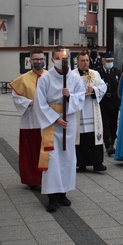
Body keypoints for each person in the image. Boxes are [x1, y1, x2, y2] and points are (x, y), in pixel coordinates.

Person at [34, 46, 87, 212]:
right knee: (52, 159)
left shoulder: (74, 78)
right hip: (52, 123)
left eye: (63, 58)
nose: (61, 61)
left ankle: (63, 192)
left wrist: (70, 96)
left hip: (68, 121)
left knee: (67, 158)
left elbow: (81, 96)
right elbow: (40, 103)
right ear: (52, 59)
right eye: (57, 58)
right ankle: (52, 196)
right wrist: (56, 118)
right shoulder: (45, 79)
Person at [9, 49, 47, 190]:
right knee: (30, 152)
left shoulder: (50, 77)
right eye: (35, 59)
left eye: (41, 59)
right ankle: (32, 179)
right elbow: (16, 96)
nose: (38, 62)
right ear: (30, 61)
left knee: (46, 151)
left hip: (46, 122)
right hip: (30, 121)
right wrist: (29, 102)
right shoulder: (23, 79)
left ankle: (46, 178)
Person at [74, 50, 108, 173]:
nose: (85, 63)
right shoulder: (72, 75)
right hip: (79, 110)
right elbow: (69, 91)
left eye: (87, 60)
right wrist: (82, 93)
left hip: (93, 109)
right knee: (80, 136)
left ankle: (97, 163)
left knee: (95, 135)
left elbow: (103, 87)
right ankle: (81, 163)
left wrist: (93, 90)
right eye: (82, 60)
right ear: (77, 62)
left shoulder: (95, 74)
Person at [97, 51, 121, 156]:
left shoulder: (116, 72)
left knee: (113, 123)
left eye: (111, 61)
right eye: (108, 61)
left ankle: (113, 141)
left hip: (114, 102)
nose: (110, 63)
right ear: (103, 61)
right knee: (105, 123)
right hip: (103, 102)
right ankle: (108, 143)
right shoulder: (98, 72)